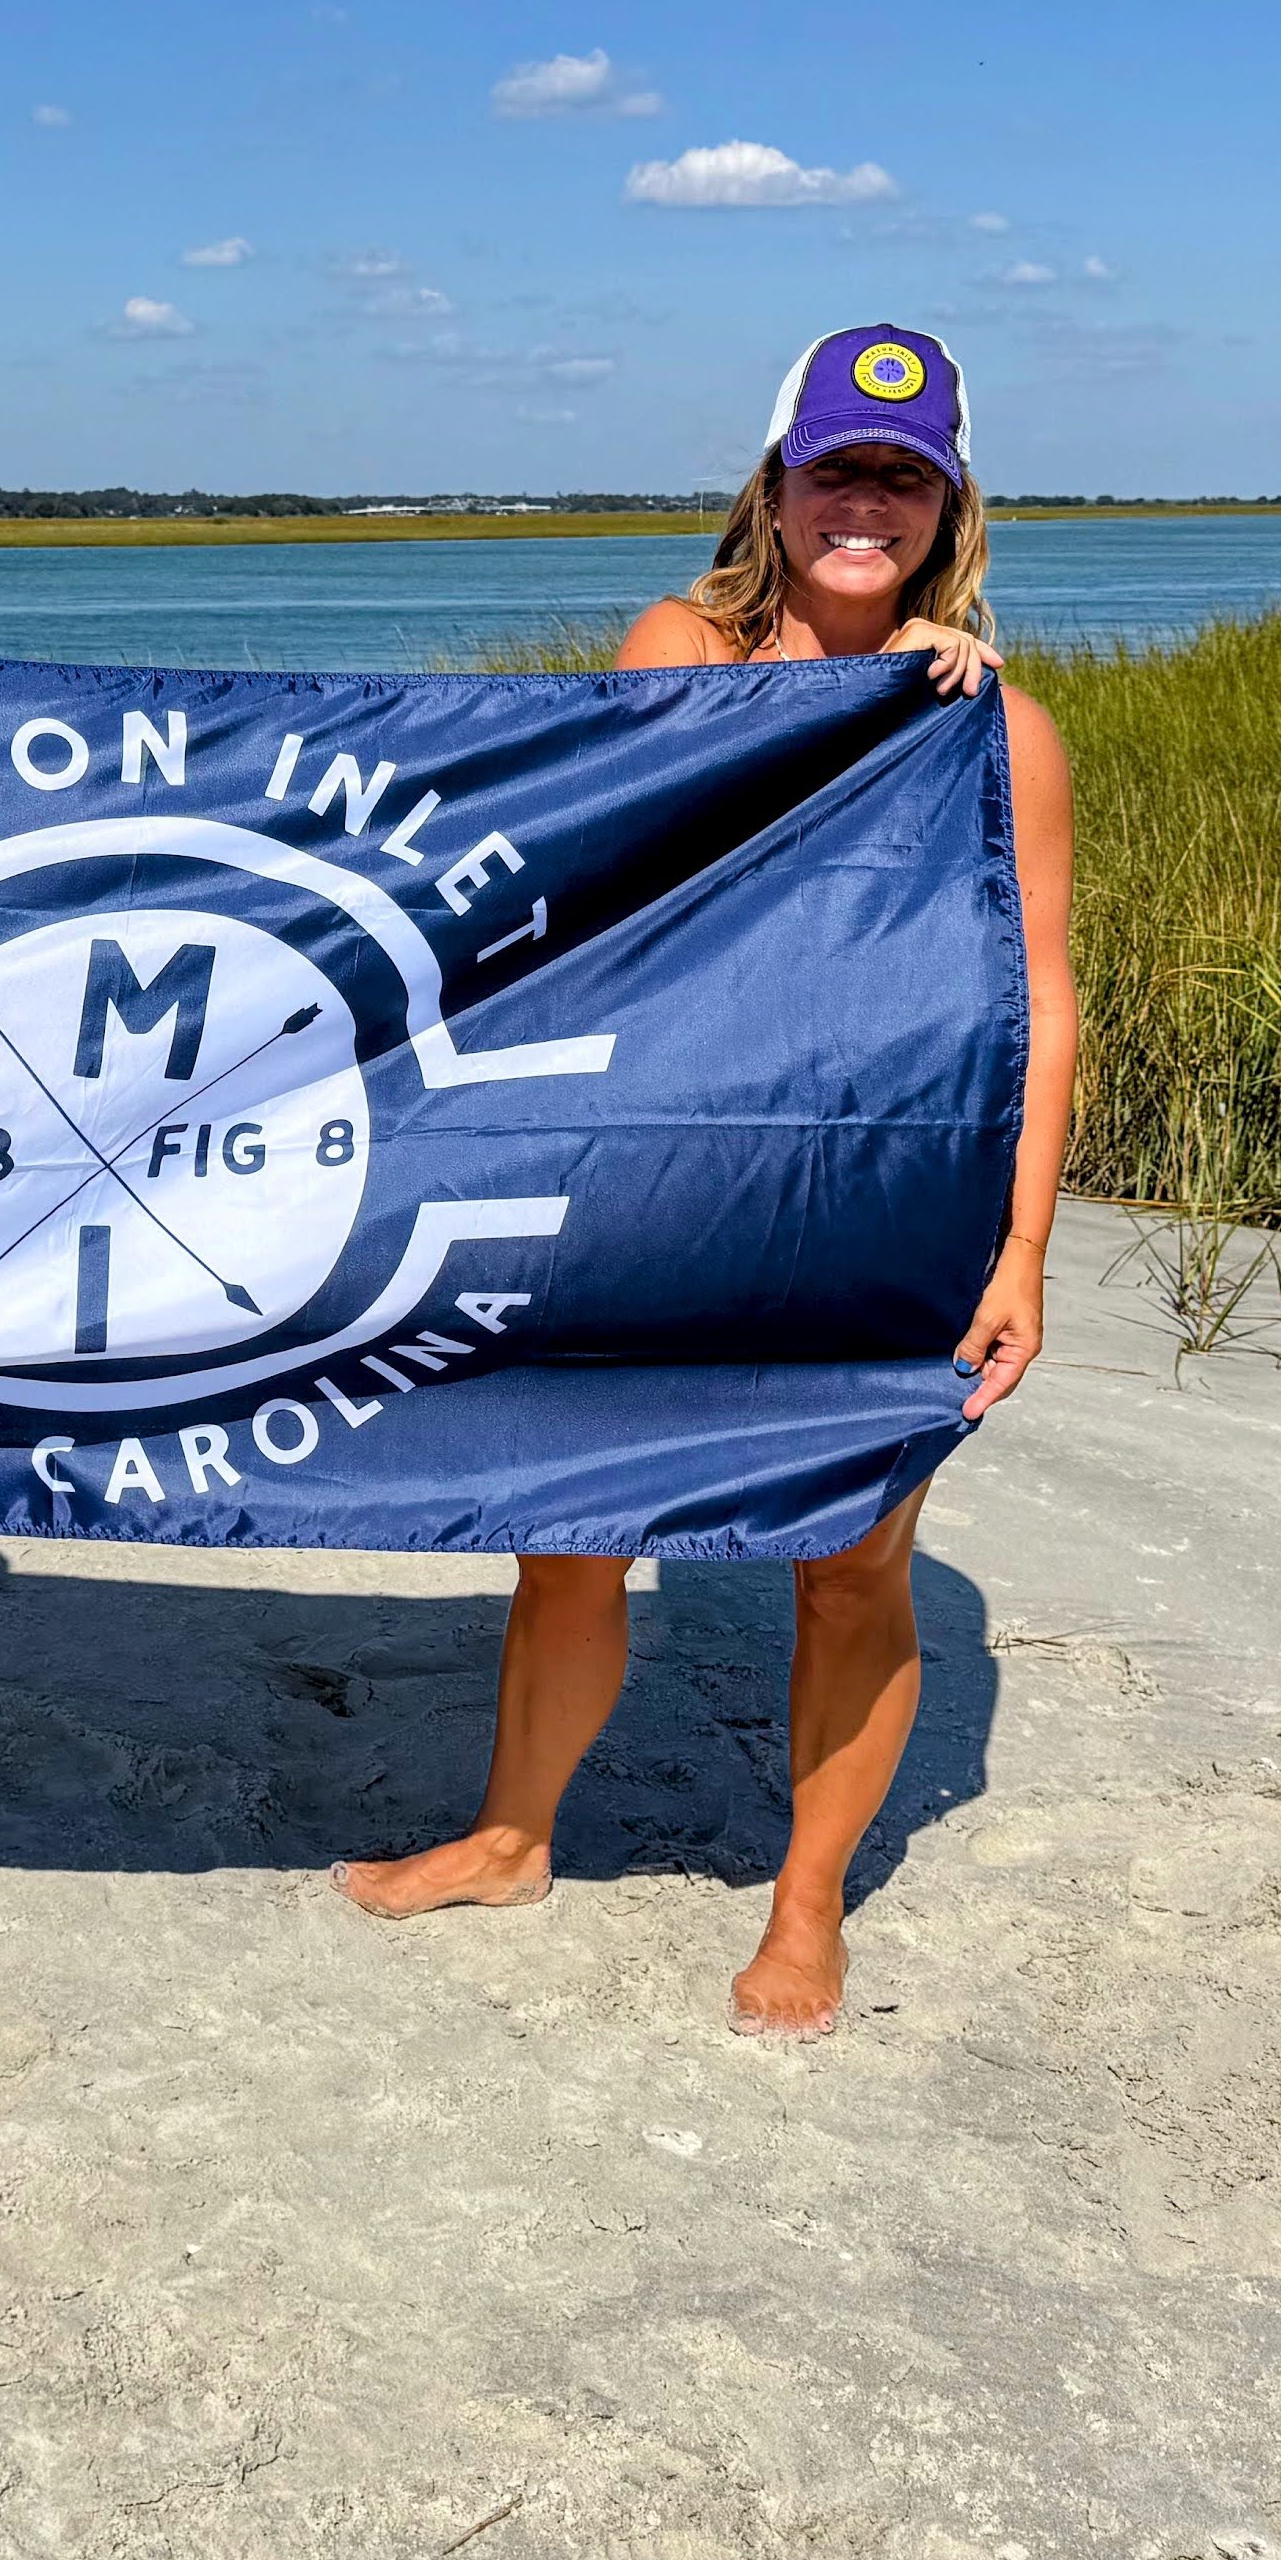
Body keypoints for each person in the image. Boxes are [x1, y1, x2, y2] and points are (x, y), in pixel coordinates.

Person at [337, 323, 1077, 2036]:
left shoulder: (1004, 737)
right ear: (779, 484)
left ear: (950, 505)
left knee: (859, 1556)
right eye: (839, 469)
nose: (866, 505)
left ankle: (808, 1907)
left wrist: (1023, 1242)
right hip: (674, 1172)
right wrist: (885, 690)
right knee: (577, 1525)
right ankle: (513, 1835)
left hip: (897, 1190)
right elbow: (703, 783)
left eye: (906, 476)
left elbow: (1044, 1003)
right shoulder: (684, 646)